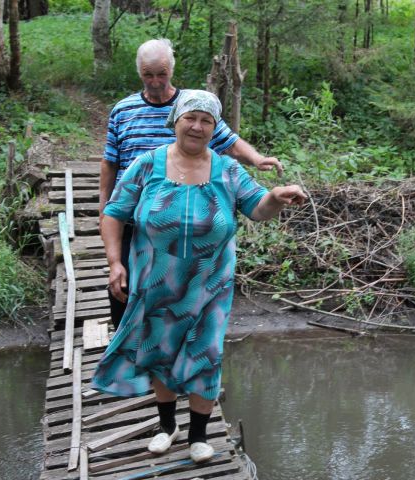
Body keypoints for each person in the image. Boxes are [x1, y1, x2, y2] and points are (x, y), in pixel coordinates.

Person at [91, 90, 306, 463]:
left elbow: (257, 208)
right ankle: (166, 425)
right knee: (159, 349)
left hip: (209, 285)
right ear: (175, 120)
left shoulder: (228, 169)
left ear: (214, 128)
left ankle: (199, 435)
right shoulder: (147, 164)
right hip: (157, 280)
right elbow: (113, 213)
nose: (197, 126)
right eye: (190, 118)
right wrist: (115, 263)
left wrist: (275, 195)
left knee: (205, 354)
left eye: (206, 121)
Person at [100, 38, 283, 329]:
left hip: (186, 220)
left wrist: (257, 159)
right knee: (125, 295)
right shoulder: (123, 110)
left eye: (162, 74)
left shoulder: (194, 105)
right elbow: (110, 162)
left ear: (171, 70)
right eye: (149, 75)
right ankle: (130, 353)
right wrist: (106, 211)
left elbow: (230, 141)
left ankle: (174, 354)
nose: (156, 81)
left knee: (178, 303)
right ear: (139, 73)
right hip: (135, 215)